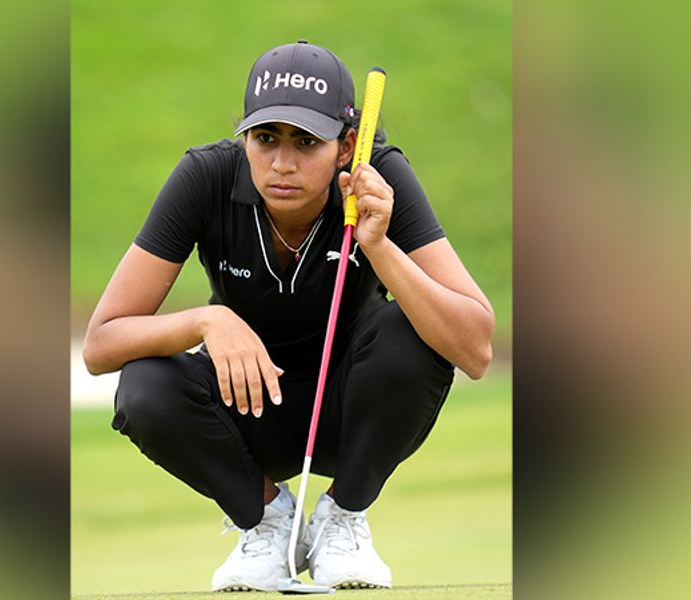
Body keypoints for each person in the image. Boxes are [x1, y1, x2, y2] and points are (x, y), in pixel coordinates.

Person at [83, 40, 494, 592]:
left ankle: (342, 519)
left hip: (354, 415)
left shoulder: (380, 177)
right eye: (265, 138)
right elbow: (101, 344)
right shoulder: (206, 177)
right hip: (246, 414)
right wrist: (207, 322)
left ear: (346, 146)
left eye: (306, 142)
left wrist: (379, 246)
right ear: (244, 139)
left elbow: (475, 349)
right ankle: (268, 520)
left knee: (410, 334)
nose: (282, 163)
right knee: (145, 383)